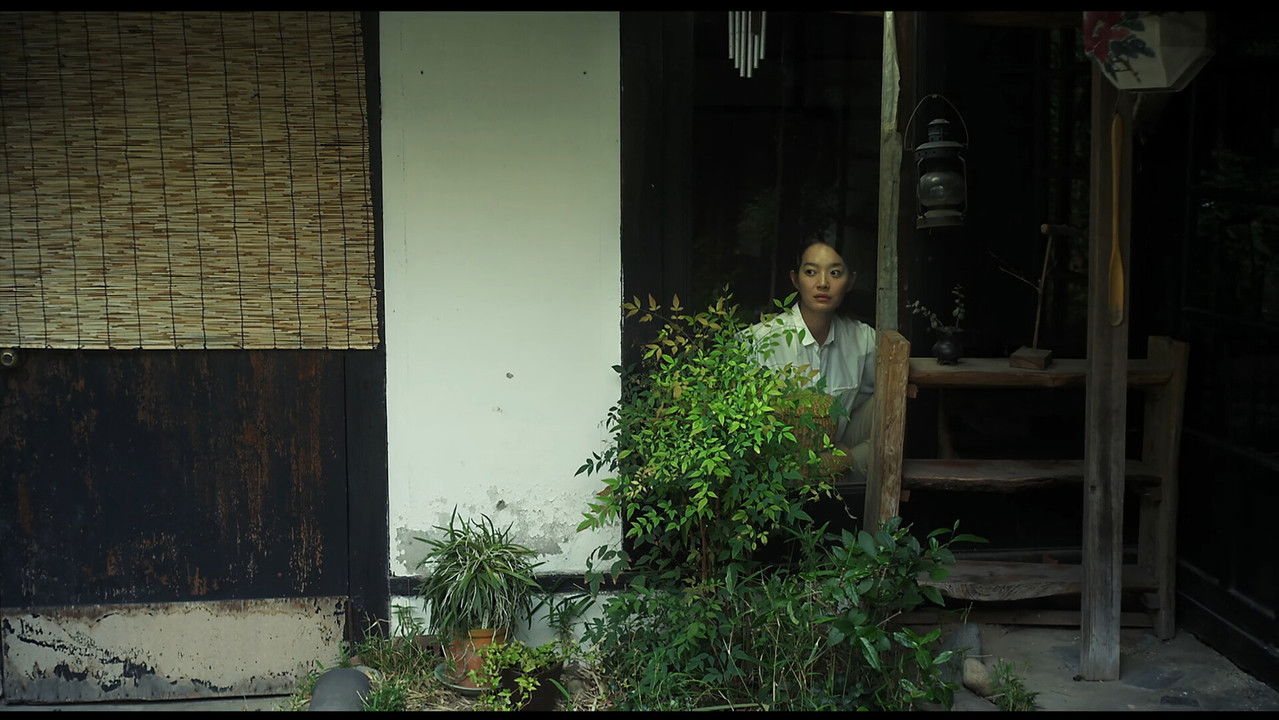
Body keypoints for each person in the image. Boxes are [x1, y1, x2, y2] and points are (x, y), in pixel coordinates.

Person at [747, 238, 876, 479]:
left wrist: (842, 458)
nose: (823, 283)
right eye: (811, 272)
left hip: (841, 451)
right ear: (796, 279)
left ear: (851, 281)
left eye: (835, 273)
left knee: (889, 406)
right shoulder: (759, 341)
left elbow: (875, 407)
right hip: (780, 469)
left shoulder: (865, 340)